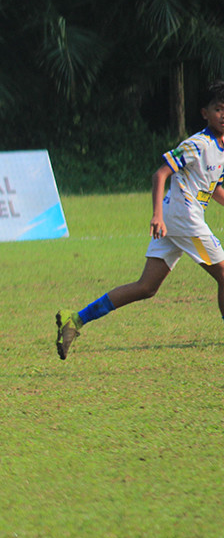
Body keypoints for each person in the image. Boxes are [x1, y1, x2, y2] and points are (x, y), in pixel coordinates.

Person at [56, 80, 224, 359]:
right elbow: (160, 174)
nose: (223, 115)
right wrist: (157, 215)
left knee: (146, 287)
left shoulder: (221, 148)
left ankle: (76, 319)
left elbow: (214, 187)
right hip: (182, 216)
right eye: (218, 109)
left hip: (178, 219)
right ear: (205, 113)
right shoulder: (197, 144)